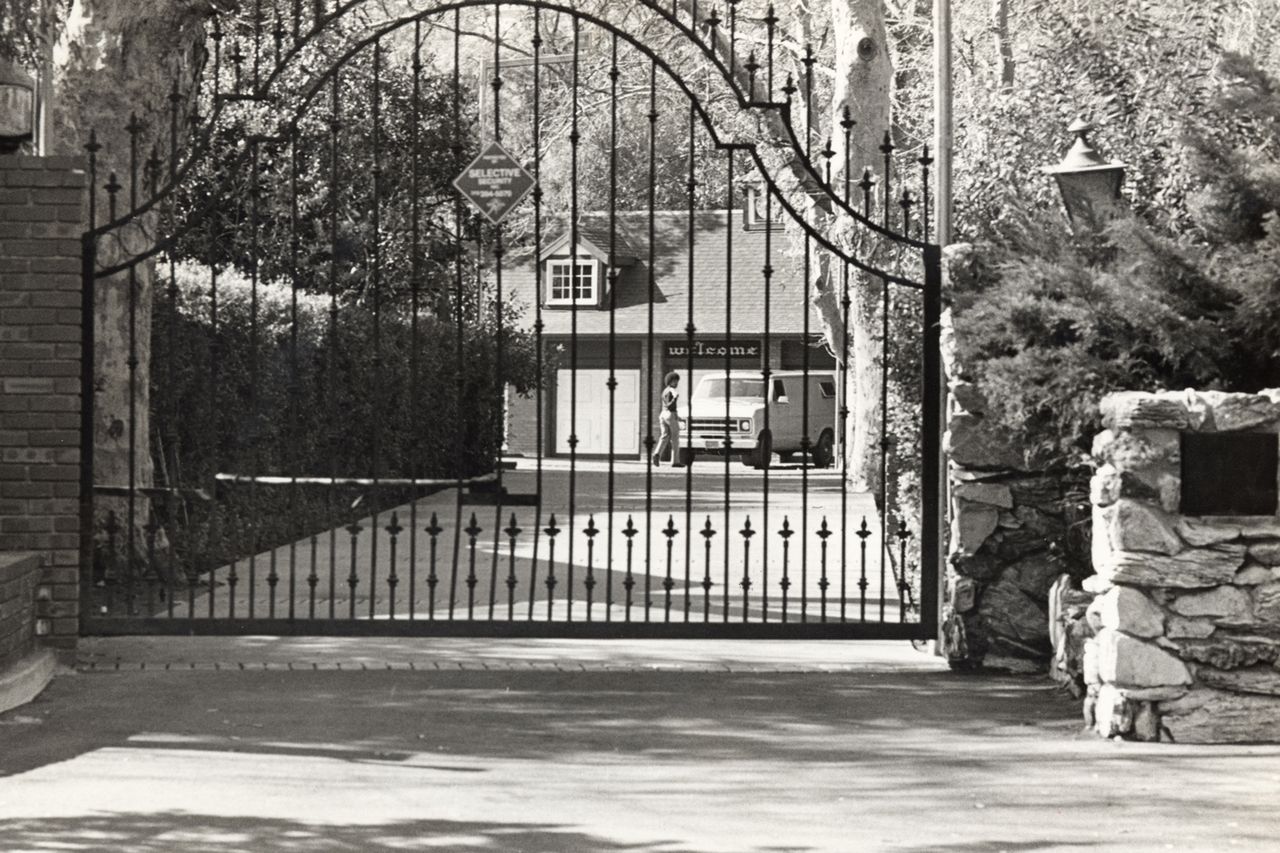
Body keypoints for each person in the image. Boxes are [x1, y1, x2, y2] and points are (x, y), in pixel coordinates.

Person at [652, 371, 682, 467]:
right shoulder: (671, 390)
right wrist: (675, 398)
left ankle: (657, 454)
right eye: (675, 381)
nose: (676, 383)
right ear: (670, 381)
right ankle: (675, 461)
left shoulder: (664, 391)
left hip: (663, 414)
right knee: (675, 439)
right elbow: (670, 405)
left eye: (677, 381)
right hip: (670, 415)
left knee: (664, 436)